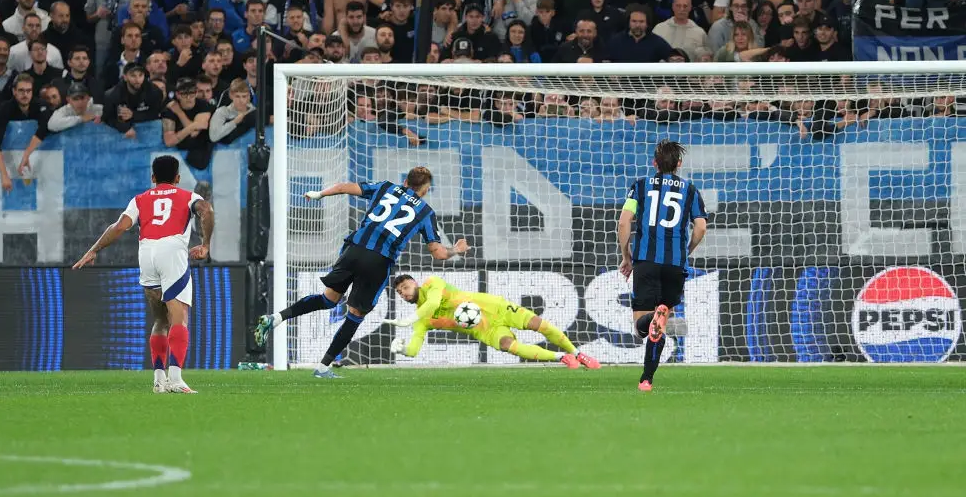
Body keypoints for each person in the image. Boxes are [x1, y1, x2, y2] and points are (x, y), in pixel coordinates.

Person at [252, 167, 470, 378]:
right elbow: (438, 253)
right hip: (378, 260)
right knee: (355, 315)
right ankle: (322, 367)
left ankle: (276, 318)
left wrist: (319, 193)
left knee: (329, 299)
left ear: (405, 182)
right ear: (424, 190)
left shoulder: (385, 187)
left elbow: (344, 187)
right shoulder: (425, 212)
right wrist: (456, 250)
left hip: (354, 249)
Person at [72, 155, 214, 395]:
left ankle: (159, 380)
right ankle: (176, 379)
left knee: (160, 319)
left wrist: (94, 250)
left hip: (146, 253)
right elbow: (207, 211)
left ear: (153, 178)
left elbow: (119, 227)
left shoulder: (139, 200)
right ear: (178, 178)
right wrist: (206, 245)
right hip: (172, 250)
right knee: (178, 317)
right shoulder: (189, 196)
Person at [618, 139, 707, 391]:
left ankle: (652, 321)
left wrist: (626, 256)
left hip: (646, 261)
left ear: (654, 163)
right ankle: (646, 379)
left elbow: (624, 222)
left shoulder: (640, 186)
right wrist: (686, 251)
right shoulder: (690, 190)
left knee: (641, 328)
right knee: (662, 320)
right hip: (674, 265)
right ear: (679, 164)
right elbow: (700, 226)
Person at [385, 274, 601, 369]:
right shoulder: (422, 322)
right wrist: (402, 350)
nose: (403, 293)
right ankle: (562, 357)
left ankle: (577, 353)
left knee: (540, 325)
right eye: (399, 292)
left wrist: (409, 318)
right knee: (510, 347)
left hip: (495, 307)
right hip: (485, 330)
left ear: (415, 283)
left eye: (405, 287)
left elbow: (431, 303)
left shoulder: (433, 283)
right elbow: (414, 350)